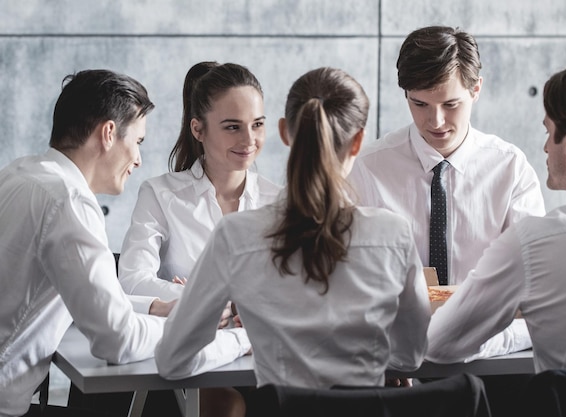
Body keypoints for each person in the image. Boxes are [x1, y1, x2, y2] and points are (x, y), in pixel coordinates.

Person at [155, 67, 431, 396]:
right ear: (358, 141)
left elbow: (172, 360)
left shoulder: (236, 236)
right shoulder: (393, 234)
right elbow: (411, 355)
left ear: (285, 132)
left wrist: (240, 340)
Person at [427, 57, 566, 369]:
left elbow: (440, 345)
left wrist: (525, 325)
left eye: (549, 132)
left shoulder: (533, 242)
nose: (546, 147)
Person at [115, 61, 281, 417]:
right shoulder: (160, 194)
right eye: (232, 127)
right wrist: (205, 297)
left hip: (264, 359)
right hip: (194, 363)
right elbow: (131, 280)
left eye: (257, 125)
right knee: (227, 406)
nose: (249, 140)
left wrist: (206, 293)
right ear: (198, 129)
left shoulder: (281, 202)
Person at [0, 69, 169, 417]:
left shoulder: (21, 174)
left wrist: (153, 307)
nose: (138, 159)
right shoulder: (69, 202)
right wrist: (194, 325)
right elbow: (118, 341)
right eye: (137, 142)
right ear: (109, 133)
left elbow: (82, 293)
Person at [348, 26, 545, 286]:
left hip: (487, 326)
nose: (436, 121)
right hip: (397, 326)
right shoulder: (367, 167)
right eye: (420, 104)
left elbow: (533, 274)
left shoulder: (511, 169)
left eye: (450, 104)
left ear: (475, 90)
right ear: (406, 95)